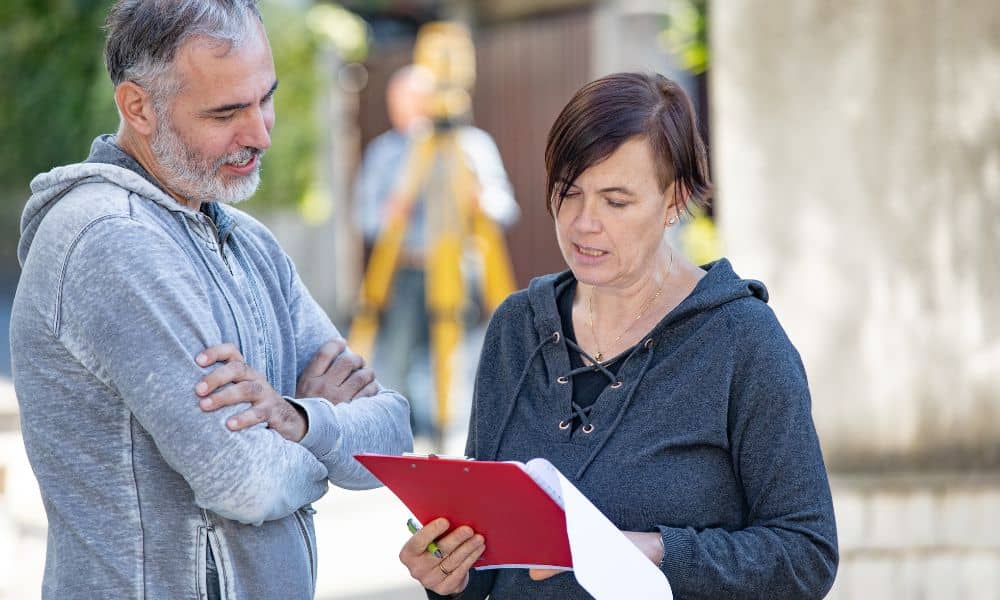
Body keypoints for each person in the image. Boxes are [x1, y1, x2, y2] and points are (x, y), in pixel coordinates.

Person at [10, 1, 412, 598]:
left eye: (265, 98)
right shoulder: (110, 239)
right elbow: (246, 482)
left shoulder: (247, 240)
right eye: (226, 112)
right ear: (138, 107)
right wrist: (328, 432)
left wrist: (296, 418)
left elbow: (394, 438)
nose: (260, 132)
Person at [398, 72, 838, 598]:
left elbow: (807, 555)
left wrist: (656, 552)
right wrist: (447, 575)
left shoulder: (742, 340)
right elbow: (486, 566)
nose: (583, 223)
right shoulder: (516, 327)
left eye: (616, 200)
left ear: (674, 200)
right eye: (569, 192)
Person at [354, 64, 519, 439]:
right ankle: (395, 432)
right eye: (397, 103)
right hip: (404, 271)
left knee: (456, 361)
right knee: (394, 358)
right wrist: (390, 212)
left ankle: (455, 433)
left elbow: (504, 205)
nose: (404, 112)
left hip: (461, 272)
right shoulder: (385, 153)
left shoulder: (472, 145)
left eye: (411, 101)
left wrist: (482, 201)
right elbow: (363, 216)